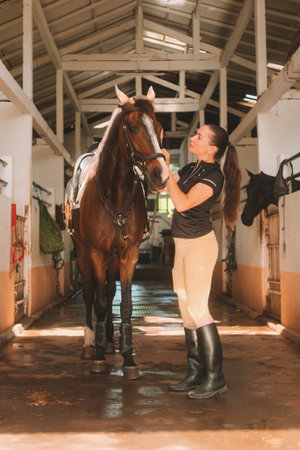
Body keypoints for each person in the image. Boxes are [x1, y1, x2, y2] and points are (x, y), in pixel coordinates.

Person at [161, 124, 241, 399]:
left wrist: (169, 170)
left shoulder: (213, 176)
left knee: (198, 307)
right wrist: (160, 164)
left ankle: (216, 378)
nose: (193, 138)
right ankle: (196, 373)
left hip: (199, 247)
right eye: (195, 133)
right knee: (186, 311)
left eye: (199, 137)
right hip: (181, 246)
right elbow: (164, 189)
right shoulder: (190, 170)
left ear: (212, 148)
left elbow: (181, 204)